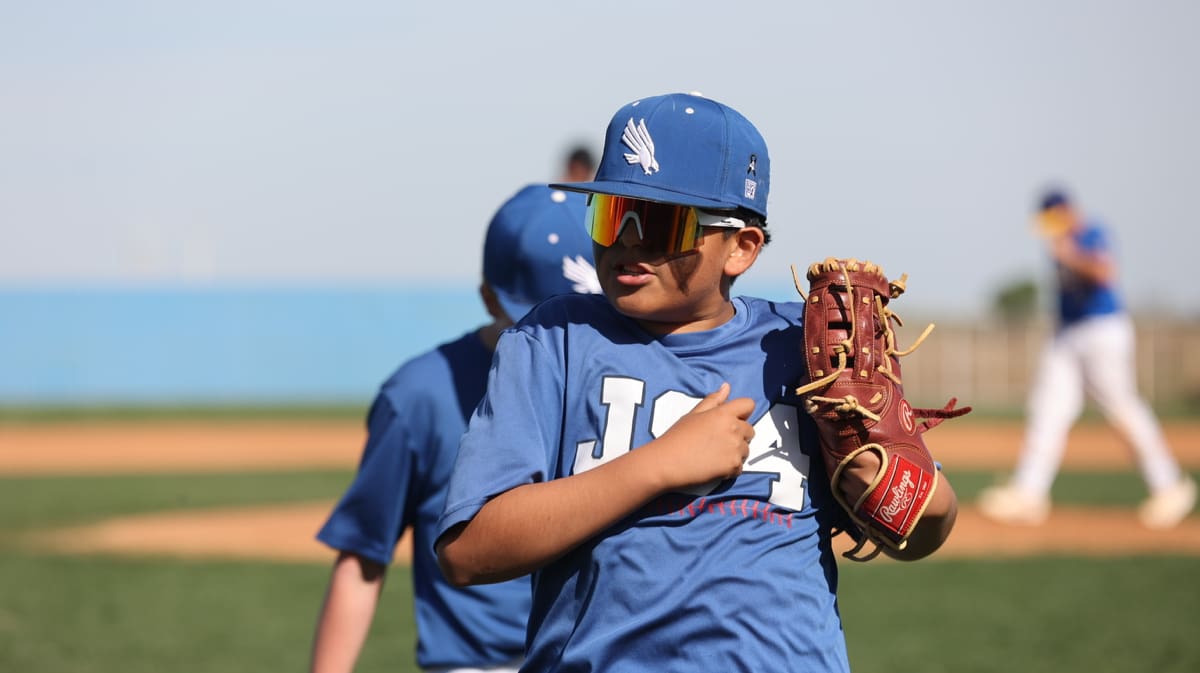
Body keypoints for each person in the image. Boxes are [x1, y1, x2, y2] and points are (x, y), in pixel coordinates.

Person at [435, 92, 959, 673]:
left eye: (661, 221)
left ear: (742, 247)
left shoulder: (804, 351)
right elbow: (469, 551)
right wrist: (659, 465)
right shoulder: (554, 339)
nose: (628, 238)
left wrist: (892, 486)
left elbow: (924, 530)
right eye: (612, 213)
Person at [309, 184, 601, 673]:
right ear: (488, 298)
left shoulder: (626, 381)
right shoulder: (421, 396)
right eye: (539, 322)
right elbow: (363, 556)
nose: (560, 339)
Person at [978, 188, 1196, 529]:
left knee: (1122, 407)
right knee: (1048, 410)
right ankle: (1029, 493)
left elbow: (1104, 273)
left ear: (1066, 211)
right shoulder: (1057, 242)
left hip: (1102, 329)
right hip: (1067, 332)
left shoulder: (1091, 233)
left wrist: (1070, 255)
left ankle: (1169, 487)